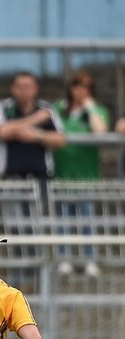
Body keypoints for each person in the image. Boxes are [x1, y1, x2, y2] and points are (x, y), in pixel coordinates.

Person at [53, 71, 110, 278]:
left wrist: (90, 108)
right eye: (77, 85)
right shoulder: (59, 109)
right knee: (63, 221)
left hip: (87, 177)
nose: (81, 90)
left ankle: (89, 259)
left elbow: (100, 132)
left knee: (88, 221)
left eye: (86, 86)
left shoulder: (98, 110)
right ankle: (64, 259)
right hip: (62, 176)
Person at [0, 71, 65, 197]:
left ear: (35, 88)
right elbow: (2, 132)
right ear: (12, 88)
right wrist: (35, 119)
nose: (23, 91)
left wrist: (38, 135)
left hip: (41, 177)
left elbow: (60, 140)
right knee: (12, 217)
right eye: (19, 87)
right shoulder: (3, 107)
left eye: (27, 87)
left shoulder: (47, 108)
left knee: (40, 216)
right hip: (11, 177)